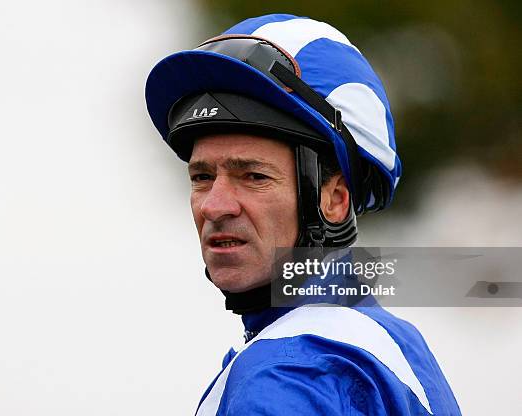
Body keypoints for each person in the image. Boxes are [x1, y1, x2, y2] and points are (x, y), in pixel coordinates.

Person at [145, 13, 461, 416]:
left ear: (334, 199)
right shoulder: (393, 345)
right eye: (202, 176)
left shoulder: (284, 374)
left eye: (253, 176)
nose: (214, 205)